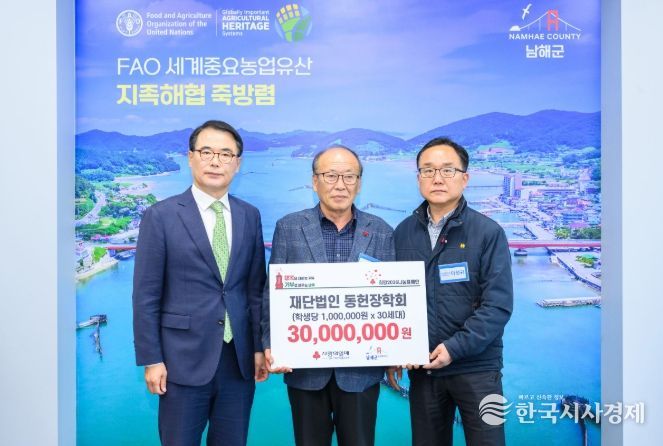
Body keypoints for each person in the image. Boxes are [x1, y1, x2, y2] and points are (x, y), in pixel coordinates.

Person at [132, 120, 268, 446]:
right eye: (206, 152)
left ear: (237, 163)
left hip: (238, 361)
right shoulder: (161, 216)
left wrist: (259, 347)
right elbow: (146, 295)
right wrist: (152, 359)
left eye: (225, 154)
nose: (215, 161)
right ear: (191, 157)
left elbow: (254, 289)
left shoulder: (249, 215)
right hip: (181, 362)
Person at [262, 145, 395, 446]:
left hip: (361, 372)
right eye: (331, 175)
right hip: (304, 369)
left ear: (359, 183)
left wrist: (395, 352)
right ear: (315, 181)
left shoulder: (382, 231)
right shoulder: (289, 227)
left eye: (349, 176)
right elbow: (272, 295)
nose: (340, 184)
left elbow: (392, 300)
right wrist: (270, 343)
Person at [388, 137, 513, 446]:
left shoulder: (488, 233)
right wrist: (394, 351)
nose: (437, 178)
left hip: (479, 369)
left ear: (464, 178)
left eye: (447, 170)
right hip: (424, 369)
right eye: (428, 170)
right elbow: (391, 299)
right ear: (418, 178)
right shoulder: (403, 233)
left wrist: (454, 348)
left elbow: (497, 306)